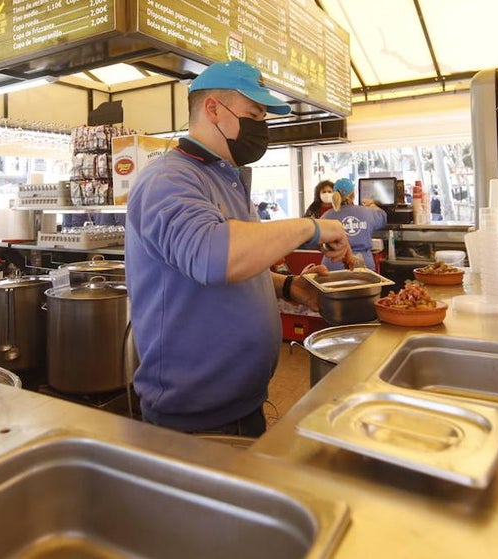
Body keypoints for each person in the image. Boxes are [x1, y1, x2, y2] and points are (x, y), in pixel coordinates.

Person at [125, 60, 351, 437]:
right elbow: (216, 257)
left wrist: (288, 285)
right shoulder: (168, 179)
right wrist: (311, 227)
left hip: (244, 400)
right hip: (194, 417)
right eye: (254, 114)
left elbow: (242, 262)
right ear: (213, 109)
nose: (261, 127)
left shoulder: (225, 178)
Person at [321, 177, 387, 271]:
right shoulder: (367, 212)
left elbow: (318, 241)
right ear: (353, 195)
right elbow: (383, 218)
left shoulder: (326, 216)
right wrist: (373, 205)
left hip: (333, 264)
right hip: (362, 266)